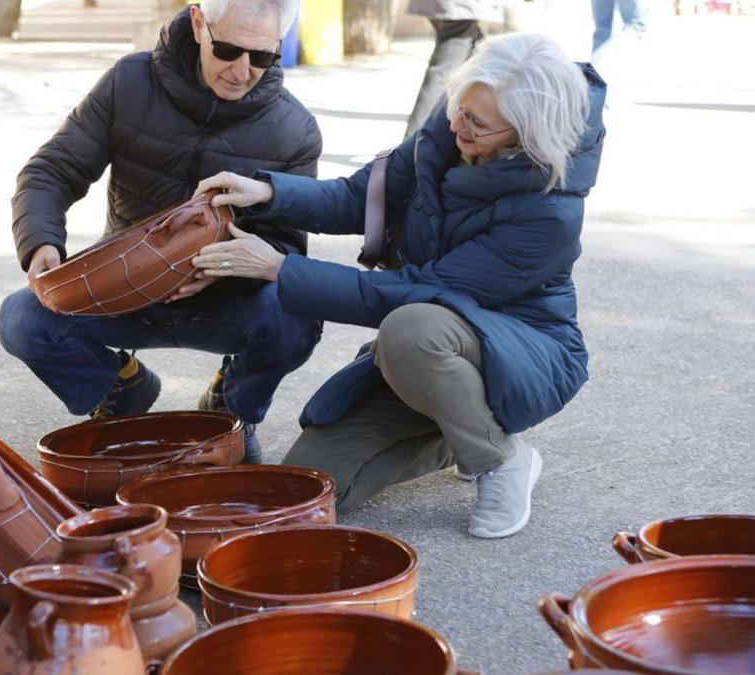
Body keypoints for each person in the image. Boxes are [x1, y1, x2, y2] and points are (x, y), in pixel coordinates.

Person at [191, 34, 605, 537]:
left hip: (522, 352)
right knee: (307, 489)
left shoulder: (551, 212)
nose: (457, 126)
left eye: (477, 123)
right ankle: (460, 427)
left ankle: (499, 459)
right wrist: (267, 193)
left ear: (526, 134)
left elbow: (419, 290)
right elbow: (361, 198)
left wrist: (281, 268)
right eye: (459, 107)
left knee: (411, 330)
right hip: (431, 351)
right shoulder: (447, 134)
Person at [0, 0, 323, 463]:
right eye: (228, 49)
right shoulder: (128, 83)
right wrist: (40, 244)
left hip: (225, 298)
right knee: (22, 318)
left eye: (262, 56)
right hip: (125, 283)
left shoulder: (296, 130)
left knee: (298, 318)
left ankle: (230, 407)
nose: (241, 70)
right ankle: (122, 390)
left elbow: (285, 247)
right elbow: (52, 170)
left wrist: (225, 268)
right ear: (197, 22)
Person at [403, 0, 504, 140]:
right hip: (458, 8)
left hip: (451, 7)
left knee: (480, 58)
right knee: (442, 74)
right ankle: (410, 145)